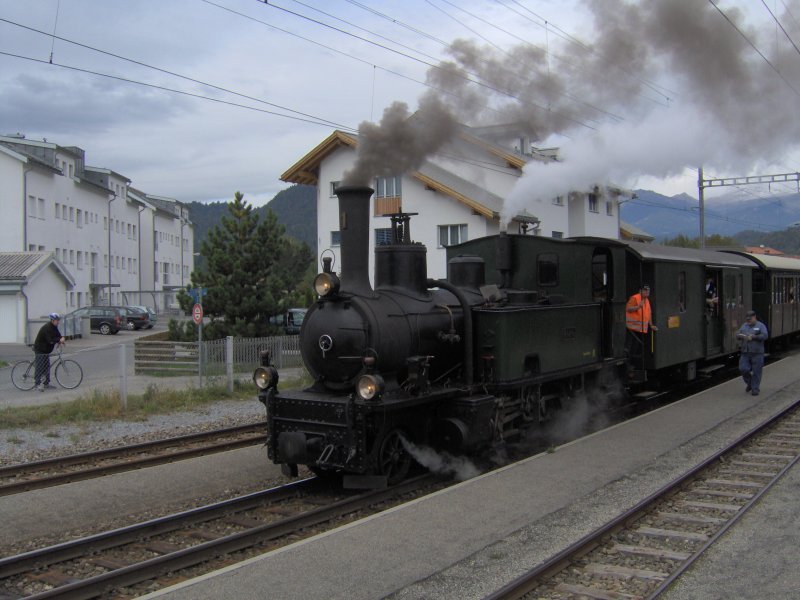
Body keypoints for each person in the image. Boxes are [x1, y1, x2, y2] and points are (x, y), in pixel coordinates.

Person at [737, 310, 768, 396]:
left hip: (757, 352)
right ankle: (750, 383)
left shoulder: (761, 326)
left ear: (754, 317)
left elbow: (765, 335)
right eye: (747, 319)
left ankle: (755, 389)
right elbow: (738, 333)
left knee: (757, 371)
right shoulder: (744, 326)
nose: (748, 321)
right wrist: (739, 336)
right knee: (743, 368)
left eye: (750, 319)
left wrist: (754, 337)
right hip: (745, 352)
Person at [33, 312, 66, 392]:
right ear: (52, 320)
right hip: (40, 349)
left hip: (46, 350)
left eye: (58, 320)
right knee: (40, 367)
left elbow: (58, 335)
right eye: (56, 320)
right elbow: (49, 340)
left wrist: (62, 339)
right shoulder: (47, 328)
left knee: (47, 367)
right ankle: (37, 384)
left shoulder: (54, 327)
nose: (58, 322)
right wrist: (58, 340)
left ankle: (46, 383)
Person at [625, 284, 658, 359]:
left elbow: (649, 313)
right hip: (631, 327)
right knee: (629, 347)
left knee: (636, 347)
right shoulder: (635, 298)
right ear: (640, 291)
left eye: (648, 290)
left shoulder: (646, 300)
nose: (647, 292)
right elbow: (628, 309)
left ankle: (631, 361)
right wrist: (638, 307)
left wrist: (651, 325)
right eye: (645, 290)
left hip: (640, 329)